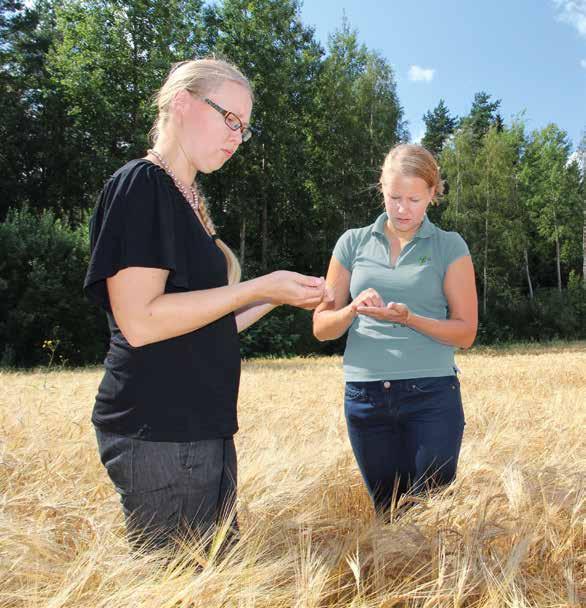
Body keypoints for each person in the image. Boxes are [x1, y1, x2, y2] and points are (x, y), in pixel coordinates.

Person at [84, 58, 330, 551]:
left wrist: (277, 296)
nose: (237, 136)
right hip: (160, 431)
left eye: (245, 127)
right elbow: (140, 321)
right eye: (229, 118)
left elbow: (208, 322)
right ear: (182, 103)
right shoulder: (141, 185)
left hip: (201, 428)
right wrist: (257, 285)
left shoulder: (188, 199)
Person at [313, 144, 478, 517]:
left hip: (431, 397)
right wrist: (353, 310)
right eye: (394, 197)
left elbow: (466, 333)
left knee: (432, 518)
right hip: (364, 399)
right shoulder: (351, 243)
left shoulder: (449, 246)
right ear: (381, 189)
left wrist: (409, 319)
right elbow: (322, 328)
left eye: (415, 199)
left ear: (433, 194)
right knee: (389, 518)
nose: (403, 209)